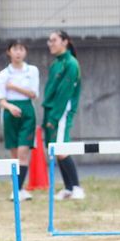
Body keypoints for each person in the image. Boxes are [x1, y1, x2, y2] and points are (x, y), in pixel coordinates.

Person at [0, 40, 40, 201]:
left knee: (23, 151)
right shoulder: (3, 74)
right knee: (14, 155)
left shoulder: (32, 71)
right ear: (9, 52)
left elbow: (33, 94)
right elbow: (1, 99)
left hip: (27, 112)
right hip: (9, 113)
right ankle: (18, 188)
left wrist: (14, 87)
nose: (18, 53)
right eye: (15, 49)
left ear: (25, 52)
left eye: (21, 49)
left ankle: (18, 189)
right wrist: (10, 107)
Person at [42, 30, 84, 201]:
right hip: (51, 110)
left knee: (61, 149)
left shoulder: (71, 64)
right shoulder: (56, 63)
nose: (50, 43)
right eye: (49, 40)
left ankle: (76, 187)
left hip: (61, 112)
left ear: (65, 42)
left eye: (54, 40)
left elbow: (64, 93)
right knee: (56, 149)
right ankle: (68, 188)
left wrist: (54, 117)